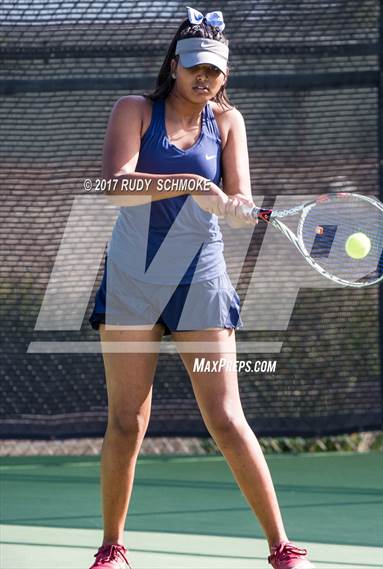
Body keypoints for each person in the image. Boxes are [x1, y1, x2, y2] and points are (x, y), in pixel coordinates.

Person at [88, 7, 314, 569]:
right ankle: (113, 548)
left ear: (224, 75)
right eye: (194, 67)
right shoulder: (135, 110)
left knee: (226, 417)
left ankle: (281, 548)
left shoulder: (229, 123)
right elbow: (114, 187)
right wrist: (191, 182)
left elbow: (236, 202)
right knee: (128, 420)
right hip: (133, 280)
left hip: (200, 279)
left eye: (213, 70)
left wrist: (234, 208)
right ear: (174, 65)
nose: (203, 78)